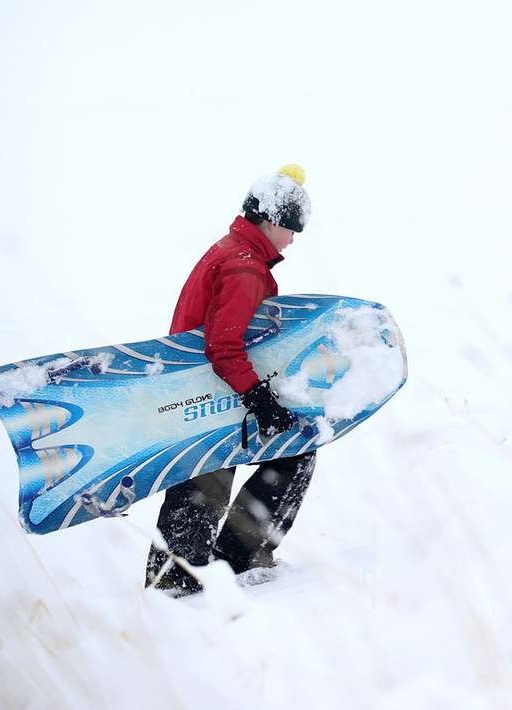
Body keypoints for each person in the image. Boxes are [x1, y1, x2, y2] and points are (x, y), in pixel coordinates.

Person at [145, 164, 315, 596]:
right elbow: (223, 346)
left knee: (205, 476)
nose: (294, 239)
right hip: (212, 392)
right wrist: (259, 399)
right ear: (274, 221)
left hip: (199, 392)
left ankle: (176, 581)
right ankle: (231, 565)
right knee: (291, 456)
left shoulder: (232, 249)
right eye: (293, 228)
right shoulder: (244, 267)